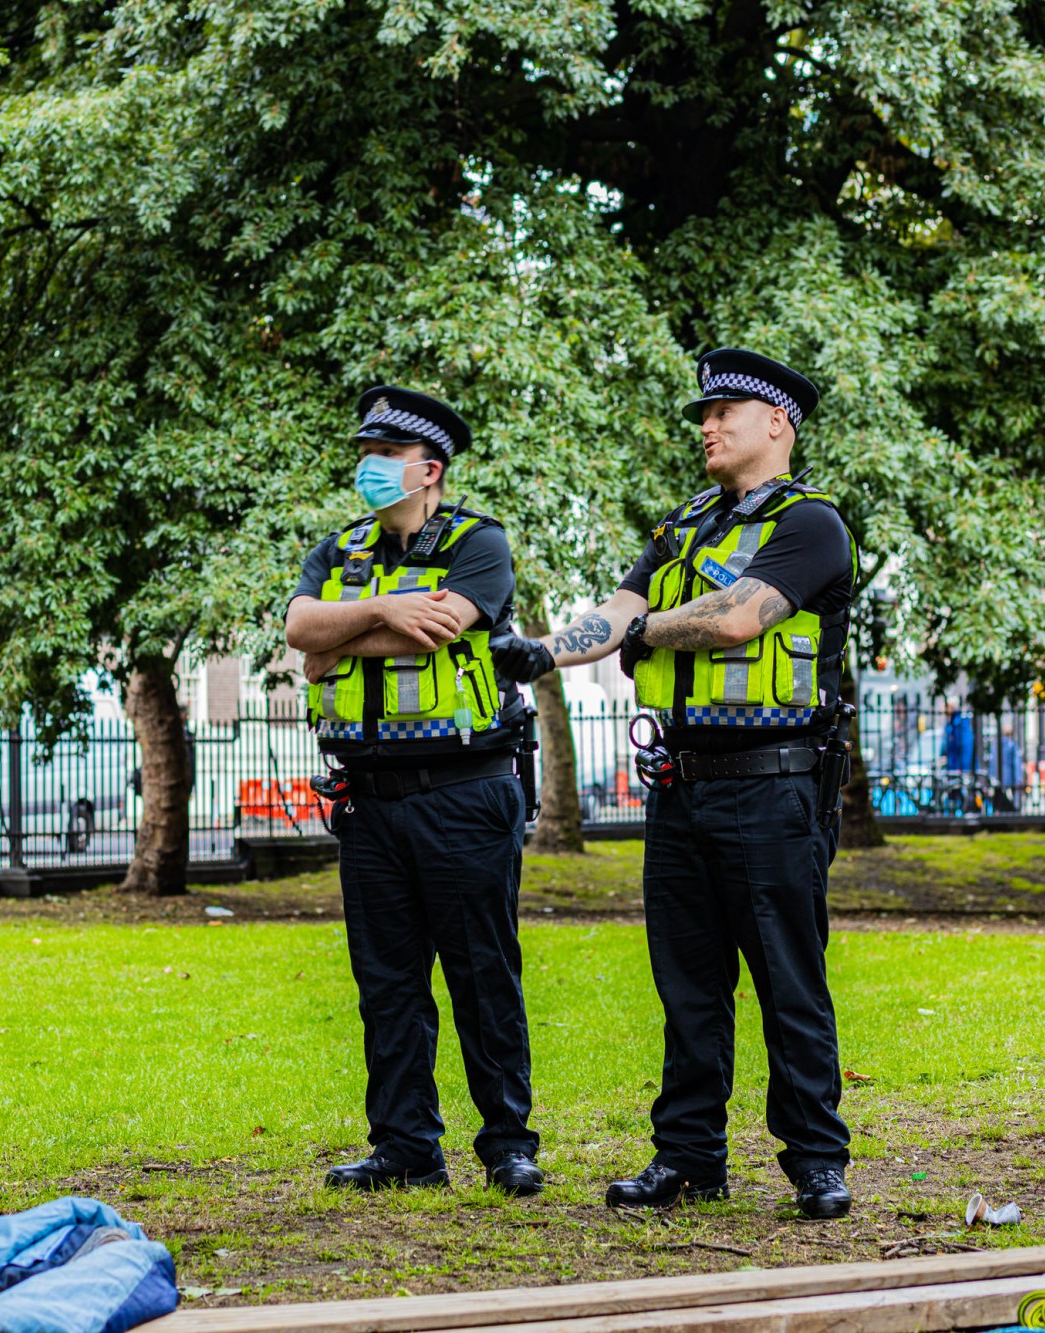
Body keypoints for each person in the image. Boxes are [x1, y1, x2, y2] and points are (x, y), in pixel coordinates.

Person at [490, 349, 857, 1220]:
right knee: (688, 983)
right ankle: (689, 1158)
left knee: (787, 979)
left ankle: (815, 1160)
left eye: (725, 410)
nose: (708, 424)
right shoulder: (682, 526)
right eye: (705, 412)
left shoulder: (811, 526)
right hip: (682, 788)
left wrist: (645, 628)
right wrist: (548, 651)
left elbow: (736, 618)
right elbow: (620, 611)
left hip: (776, 786)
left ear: (777, 423)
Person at [285, 386, 544, 1197]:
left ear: (427, 469)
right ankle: (406, 1147)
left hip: (465, 788)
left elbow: (448, 620)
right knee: (388, 982)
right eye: (365, 453)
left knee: (482, 974)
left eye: (385, 456)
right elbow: (299, 632)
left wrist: (347, 630)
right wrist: (387, 609)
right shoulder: (340, 550)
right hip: (368, 796)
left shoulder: (479, 542)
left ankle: (507, 1144)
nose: (368, 467)